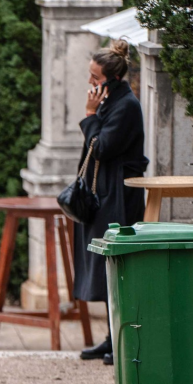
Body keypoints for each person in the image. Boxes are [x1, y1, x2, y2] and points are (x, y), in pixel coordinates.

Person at [73, 40, 147, 365]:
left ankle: (122, 342)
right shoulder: (110, 100)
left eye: (95, 77)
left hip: (119, 194)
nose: (91, 83)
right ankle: (110, 339)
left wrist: (89, 115)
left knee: (116, 267)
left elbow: (101, 146)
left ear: (113, 79)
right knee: (103, 266)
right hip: (104, 191)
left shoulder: (126, 105)